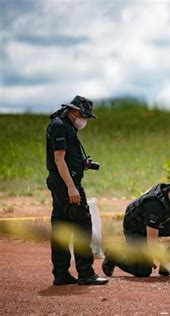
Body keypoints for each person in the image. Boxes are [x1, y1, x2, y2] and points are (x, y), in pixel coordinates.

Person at [46, 95, 108, 285]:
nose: (85, 119)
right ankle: (85, 273)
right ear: (74, 111)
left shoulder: (65, 125)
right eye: (84, 115)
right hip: (66, 184)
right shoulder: (60, 127)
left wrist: (82, 164)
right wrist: (71, 188)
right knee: (82, 226)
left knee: (62, 227)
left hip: (61, 183)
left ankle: (61, 274)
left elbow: (65, 157)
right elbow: (58, 159)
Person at [102, 180, 170, 278]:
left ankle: (166, 267)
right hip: (136, 229)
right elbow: (152, 243)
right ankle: (114, 255)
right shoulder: (155, 205)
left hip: (157, 224)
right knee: (143, 270)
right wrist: (168, 265)